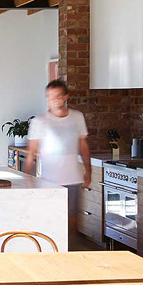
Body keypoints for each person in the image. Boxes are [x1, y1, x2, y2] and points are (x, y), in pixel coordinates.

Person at [24, 79, 91, 244]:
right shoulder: (39, 122)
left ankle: (70, 255)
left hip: (73, 179)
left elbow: (83, 146)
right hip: (48, 181)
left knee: (71, 221)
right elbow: (31, 153)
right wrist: (27, 179)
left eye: (57, 96)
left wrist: (88, 171)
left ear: (66, 97)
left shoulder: (77, 117)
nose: (54, 100)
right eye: (50, 96)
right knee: (49, 220)